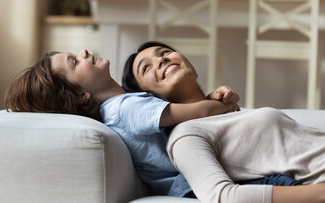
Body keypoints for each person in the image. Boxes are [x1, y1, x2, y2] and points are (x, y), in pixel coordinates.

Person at [4, 48, 325, 203]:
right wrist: (217, 104)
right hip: (188, 185)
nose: (84, 51)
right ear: (81, 95)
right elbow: (180, 116)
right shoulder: (125, 107)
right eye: (75, 62)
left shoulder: (124, 106)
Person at [122, 41, 325, 203]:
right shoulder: (185, 135)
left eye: (164, 52)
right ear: (145, 97)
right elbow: (221, 196)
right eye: (146, 67)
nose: (161, 60)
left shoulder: (226, 114)